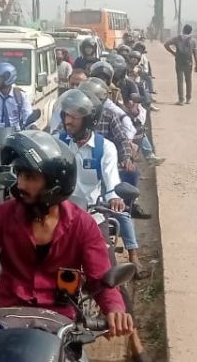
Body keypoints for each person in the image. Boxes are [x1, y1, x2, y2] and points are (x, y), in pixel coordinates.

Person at [0, 131, 133, 337]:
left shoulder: (83, 225)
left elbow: (100, 279)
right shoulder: (1, 215)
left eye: (30, 178)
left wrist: (115, 310)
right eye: (19, 175)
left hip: (61, 325)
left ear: (55, 184)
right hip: (7, 320)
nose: (20, 185)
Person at [54, 90, 146, 273]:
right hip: (58, 216)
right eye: (66, 116)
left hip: (92, 217)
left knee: (107, 271)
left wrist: (115, 197)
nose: (67, 121)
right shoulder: (57, 142)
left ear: (89, 120)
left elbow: (111, 178)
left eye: (74, 117)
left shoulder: (104, 148)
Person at [164, 25, 197, 105]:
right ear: (190, 31)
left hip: (179, 62)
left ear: (183, 30)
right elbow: (195, 54)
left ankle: (181, 100)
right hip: (188, 62)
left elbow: (166, 44)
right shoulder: (193, 40)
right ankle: (188, 99)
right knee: (188, 80)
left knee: (180, 81)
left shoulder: (177, 38)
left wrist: (173, 53)